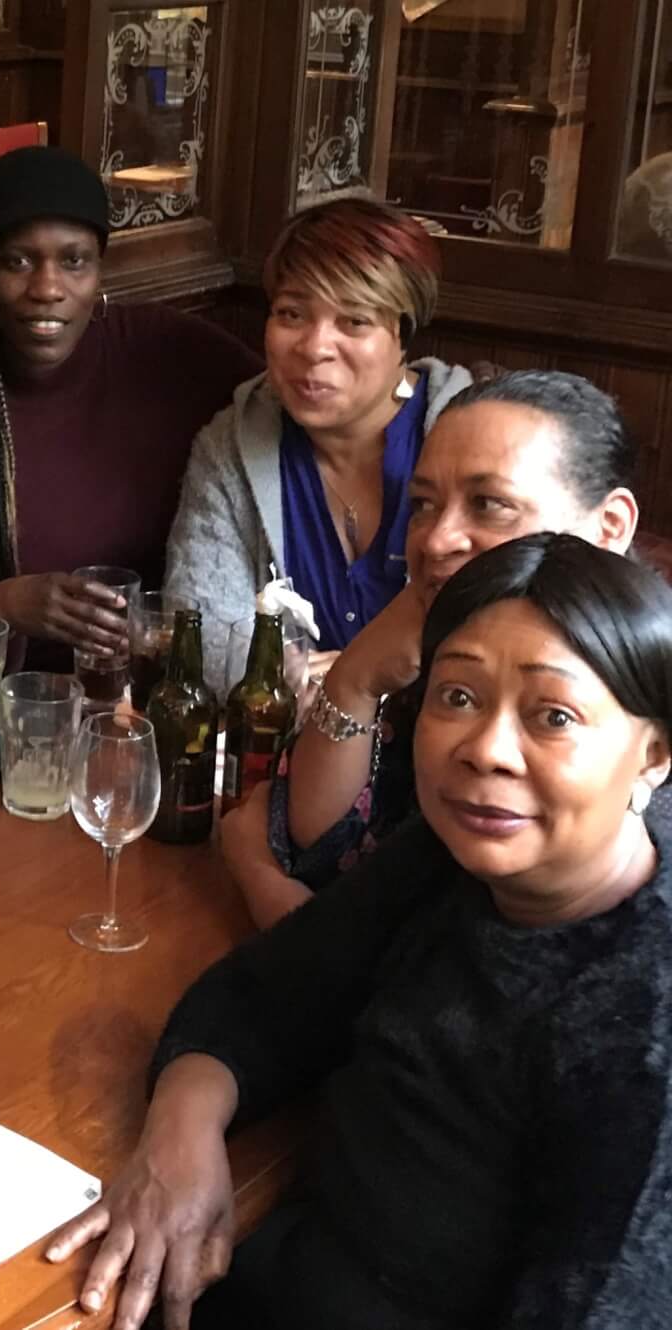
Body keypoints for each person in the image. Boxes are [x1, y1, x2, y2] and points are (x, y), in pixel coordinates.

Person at [47, 533, 672, 1330]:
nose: (486, 750)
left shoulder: (643, 1032)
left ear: (652, 754)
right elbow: (269, 993)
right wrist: (180, 1134)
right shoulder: (454, 862)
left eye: (553, 715)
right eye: (457, 697)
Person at [223, 370, 641, 926]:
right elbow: (318, 849)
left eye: (489, 503)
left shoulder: (635, 696)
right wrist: (357, 676)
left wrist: (256, 872)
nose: (437, 539)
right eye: (422, 505)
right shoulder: (442, 639)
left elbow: (415, 965)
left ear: (609, 527)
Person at [0, 146, 262, 672]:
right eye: (17, 261)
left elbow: (290, 410)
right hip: (36, 713)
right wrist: (9, 604)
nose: (47, 289)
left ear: (98, 271)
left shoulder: (169, 351)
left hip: (193, 690)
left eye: (74, 261)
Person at [165, 196, 473, 678]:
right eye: (291, 314)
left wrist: (353, 677)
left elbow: (510, 632)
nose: (313, 347)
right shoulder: (232, 446)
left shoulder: (473, 439)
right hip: (287, 746)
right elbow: (200, 639)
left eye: (354, 320)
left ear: (403, 336)